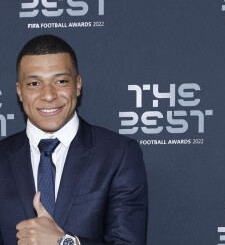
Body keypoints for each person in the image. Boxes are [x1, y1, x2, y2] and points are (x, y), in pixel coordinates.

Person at [0, 35, 147, 245]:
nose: (49, 95)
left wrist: (65, 242)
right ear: (19, 92)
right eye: (34, 83)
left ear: (77, 85)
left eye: (60, 81)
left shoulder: (118, 154)